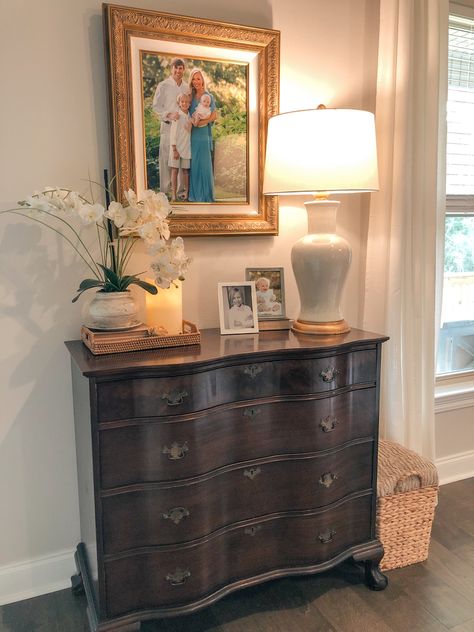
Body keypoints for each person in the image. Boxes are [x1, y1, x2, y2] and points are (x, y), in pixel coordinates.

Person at [152, 58, 190, 196]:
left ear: (184, 70)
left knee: (179, 158)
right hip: (168, 126)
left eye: (181, 68)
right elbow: (156, 107)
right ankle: (164, 192)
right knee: (166, 158)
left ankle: (179, 191)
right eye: (176, 67)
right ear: (171, 68)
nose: (178, 71)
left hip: (182, 130)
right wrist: (168, 114)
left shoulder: (186, 87)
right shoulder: (163, 85)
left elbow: (188, 106)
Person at [188, 68, 217, 203]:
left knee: (205, 163)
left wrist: (201, 123)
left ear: (203, 80)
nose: (196, 82)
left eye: (198, 78)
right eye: (194, 79)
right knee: (195, 162)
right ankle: (194, 196)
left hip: (204, 133)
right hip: (193, 135)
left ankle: (206, 196)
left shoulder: (209, 96)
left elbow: (214, 116)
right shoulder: (190, 96)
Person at [169, 93, 192, 201]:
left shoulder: (190, 116)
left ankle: (186, 193)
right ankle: (173, 194)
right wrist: (174, 149)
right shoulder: (177, 116)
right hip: (176, 148)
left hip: (186, 147)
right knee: (174, 171)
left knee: (186, 171)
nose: (185, 103)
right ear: (179, 103)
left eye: (187, 102)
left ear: (189, 103)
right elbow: (173, 133)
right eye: (182, 101)